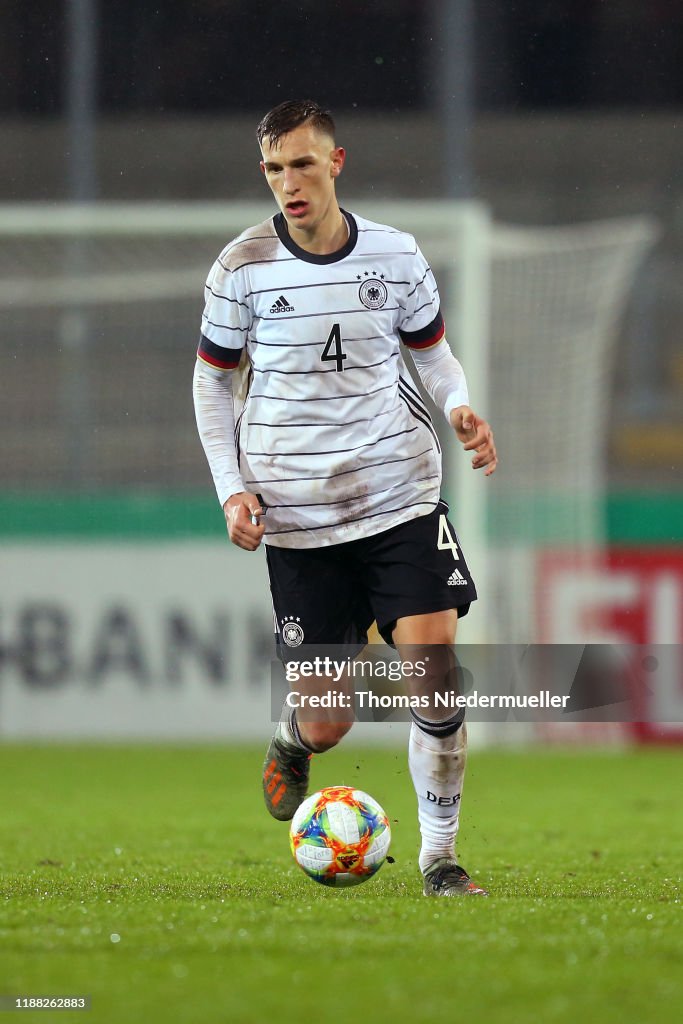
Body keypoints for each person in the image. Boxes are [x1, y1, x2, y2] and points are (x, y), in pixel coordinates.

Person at [193, 100, 497, 897]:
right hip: (297, 516)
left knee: (432, 671)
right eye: (271, 168)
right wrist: (232, 491)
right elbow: (211, 382)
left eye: (300, 163)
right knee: (330, 721)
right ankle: (292, 741)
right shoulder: (241, 266)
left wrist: (459, 405)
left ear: (335, 162)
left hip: (398, 493)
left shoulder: (395, 256)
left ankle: (438, 857)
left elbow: (434, 357)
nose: (286, 182)